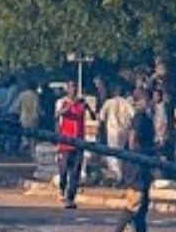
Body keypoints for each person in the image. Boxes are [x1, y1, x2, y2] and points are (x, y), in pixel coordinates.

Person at [105, 89, 155, 232]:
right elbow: (133, 143)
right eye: (150, 99)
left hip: (143, 165)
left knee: (143, 205)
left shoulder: (145, 117)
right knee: (134, 202)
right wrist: (153, 150)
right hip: (137, 166)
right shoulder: (140, 118)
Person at [56, 81, 95, 209]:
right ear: (67, 89)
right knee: (63, 171)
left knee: (75, 171)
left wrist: (87, 106)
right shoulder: (63, 102)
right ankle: (62, 188)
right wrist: (71, 104)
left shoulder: (81, 103)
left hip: (78, 142)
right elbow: (59, 114)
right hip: (65, 142)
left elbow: (93, 116)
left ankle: (70, 197)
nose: (73, 90)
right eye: (71, 87)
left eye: (75, 88)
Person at [98, 85, 134, 184]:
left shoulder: (108, 102)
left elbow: (101, 118)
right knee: (120, 152)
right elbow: (133, 115)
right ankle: (119, 175)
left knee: (112, 153)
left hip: (112, 131)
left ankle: (117, 176)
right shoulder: (127, 103)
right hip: (123, 131)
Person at [15, 81, 41, 155]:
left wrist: (18, 113)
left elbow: (17, 106)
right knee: (33, 135)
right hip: (33, 117)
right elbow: (37, 107)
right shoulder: (35, 95)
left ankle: (25, 144)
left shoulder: (21, 95)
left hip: (23, 117)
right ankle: (32, 151)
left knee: (25, 133)